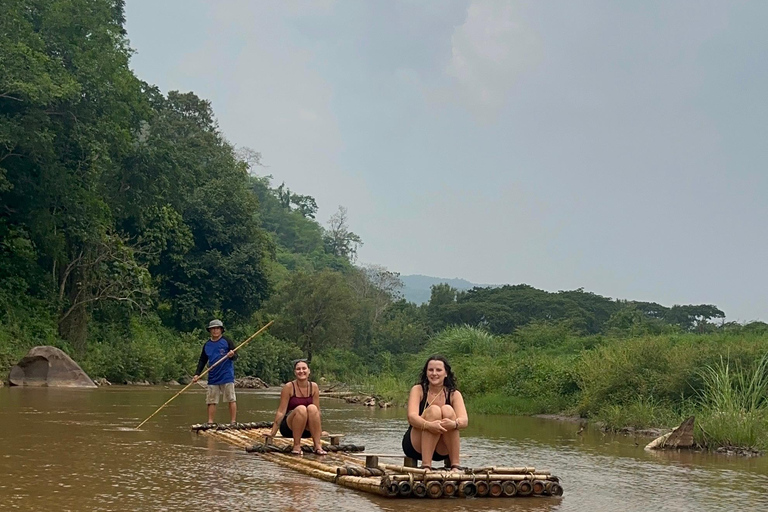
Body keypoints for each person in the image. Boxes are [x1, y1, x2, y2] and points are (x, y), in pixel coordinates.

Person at [402, 355, 468, 470]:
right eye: (430, 370)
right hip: (416, 446)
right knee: (434, 410)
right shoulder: (418, 390)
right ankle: (426, 465)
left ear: (446, 373)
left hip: (442, 449)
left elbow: (464, 421)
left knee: (448, 410)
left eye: (438, 370)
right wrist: (429, 425)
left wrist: (454, 424)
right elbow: (411, 417)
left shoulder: (454, 394)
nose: (434, 373)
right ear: (426, 372)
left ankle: (455, 465)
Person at [264, 359, 327, 456]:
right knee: (301, 408)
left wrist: (319, 431)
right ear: (295, 372)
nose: (301, 371)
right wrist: (273, 432)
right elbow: (281, 411)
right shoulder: (289, 387)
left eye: (304, 368)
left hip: (307, 429)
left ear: (309, 371)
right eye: (298, 369)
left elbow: (317, 412)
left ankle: (317, 446)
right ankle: (296, 445)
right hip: (290, 427)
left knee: (312, 408)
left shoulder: (314, 387)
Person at [192, 319, 238, 424]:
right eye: (213, 329)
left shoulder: (227, 341)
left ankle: (233, 421)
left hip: (226, 375)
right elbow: (202, 360)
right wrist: (197, 374)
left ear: (221, 330)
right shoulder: (207, 345)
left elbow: (235, 356)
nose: (215, 331)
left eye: (217, 328)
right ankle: (210, 422)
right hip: (213, 376)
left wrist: (231, 355)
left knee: (231, 398)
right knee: (211, 401)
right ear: (210, 331)